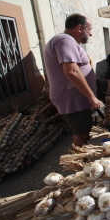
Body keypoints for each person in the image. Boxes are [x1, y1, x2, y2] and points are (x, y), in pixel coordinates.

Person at [44, 14, 100, 146]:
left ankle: (84, 161)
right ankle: (80, 165)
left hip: (78, 97)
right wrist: (92, 97)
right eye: (89, 29)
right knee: (80, 135)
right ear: (79, 28)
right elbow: (72, 72)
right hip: (73, 98)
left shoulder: (67, 41)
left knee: (84, 132)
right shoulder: (65, 41)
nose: (91, 34)